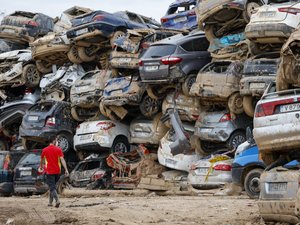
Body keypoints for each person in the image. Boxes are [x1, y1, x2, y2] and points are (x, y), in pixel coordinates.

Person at [39, 136, 69, 208]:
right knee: (52, 187)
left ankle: (57, 200)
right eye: (56, 140)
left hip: (49, 171)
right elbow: (62, 160)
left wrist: (41, 167)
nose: (56, 141)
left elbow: (42, 161)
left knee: (52, 187)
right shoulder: (58, 149)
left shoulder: (44, 150)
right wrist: (66, 169)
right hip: (57, 171)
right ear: (53, 141)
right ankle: (50, 203)